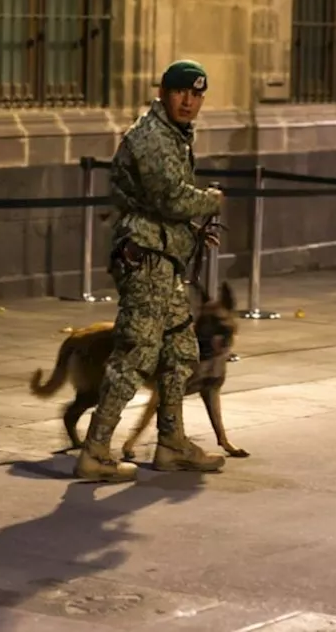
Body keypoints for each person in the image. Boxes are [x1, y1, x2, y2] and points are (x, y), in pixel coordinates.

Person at [76, 59, 228, 482]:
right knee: (136, 354)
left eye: (197, 94)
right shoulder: (151, 137)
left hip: (163, 258)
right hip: (145, 261)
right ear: (163, 91)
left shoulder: (175, 135)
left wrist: (193, 232)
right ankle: (96, 450)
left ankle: (171, 443)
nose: (189, 101)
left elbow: (160, 207)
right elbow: (170, 198)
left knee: (180, 353)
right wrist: (210, 201)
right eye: (182, 91)